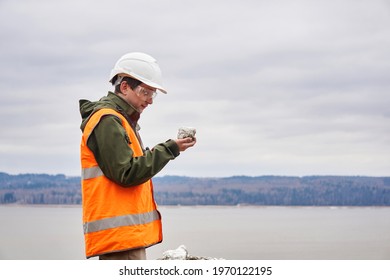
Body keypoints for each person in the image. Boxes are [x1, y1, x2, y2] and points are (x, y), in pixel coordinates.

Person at [79, 52, 196, 260]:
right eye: (145, 92)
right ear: (124, 87)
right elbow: (127, 172)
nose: (150, 100)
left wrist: (171, 148)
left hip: (123, 238)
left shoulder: (120, 119)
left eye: (153, 94)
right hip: (119, 240)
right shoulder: (107, 120)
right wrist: (170, 149)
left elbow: (128, 166)